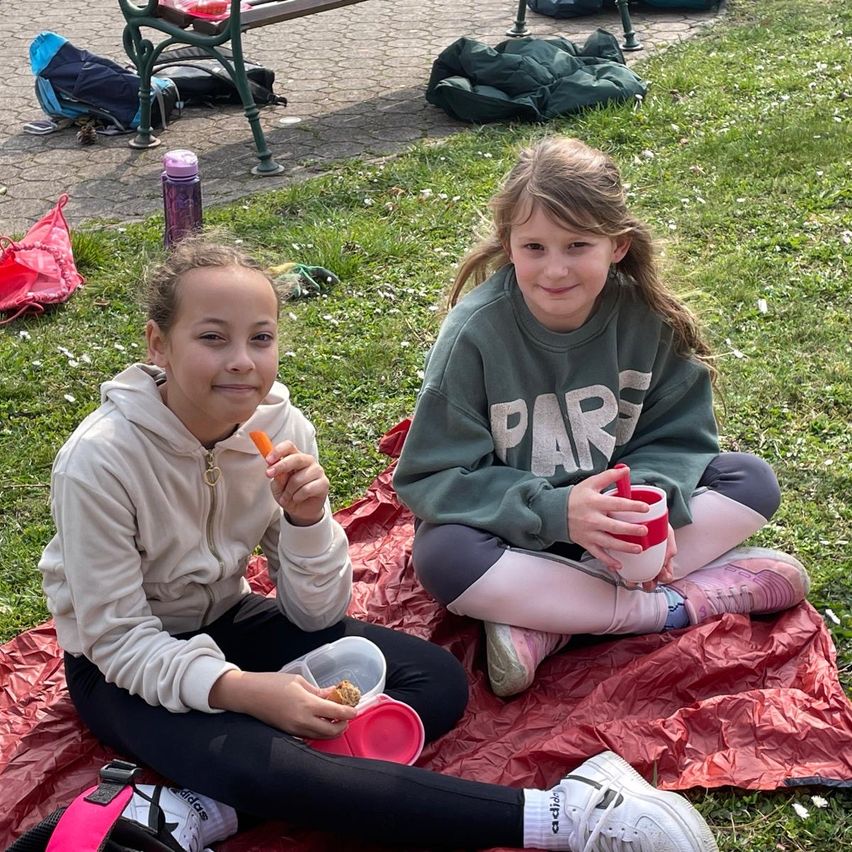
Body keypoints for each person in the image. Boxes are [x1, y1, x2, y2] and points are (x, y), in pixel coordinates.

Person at [38, 236, 720, 852]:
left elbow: (315, 615)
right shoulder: (100, 461)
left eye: (261, 338)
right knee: (262, 760)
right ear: (158, 345)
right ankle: (563, 816)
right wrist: (244, 692)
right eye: (212, 338)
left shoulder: (280, 429)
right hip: (117, 665)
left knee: (436, 683)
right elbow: (117, 639)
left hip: (226, 618)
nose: (242, 362)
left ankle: (204, 806)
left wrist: (308, 522)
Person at [393, 136, 809, 699]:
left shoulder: (647, 318)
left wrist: (643, 515)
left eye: (577, 245)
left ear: (617, 244)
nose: (555, 269)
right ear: (508, 244)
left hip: (622, 532)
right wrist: (558, 511)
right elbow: (432, 477)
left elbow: (681, 438)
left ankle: (548, 622)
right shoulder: (474, 334)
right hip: (519, 534)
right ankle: (676, 605)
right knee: (443, 558)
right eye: (534, 246)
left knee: (751, 481)